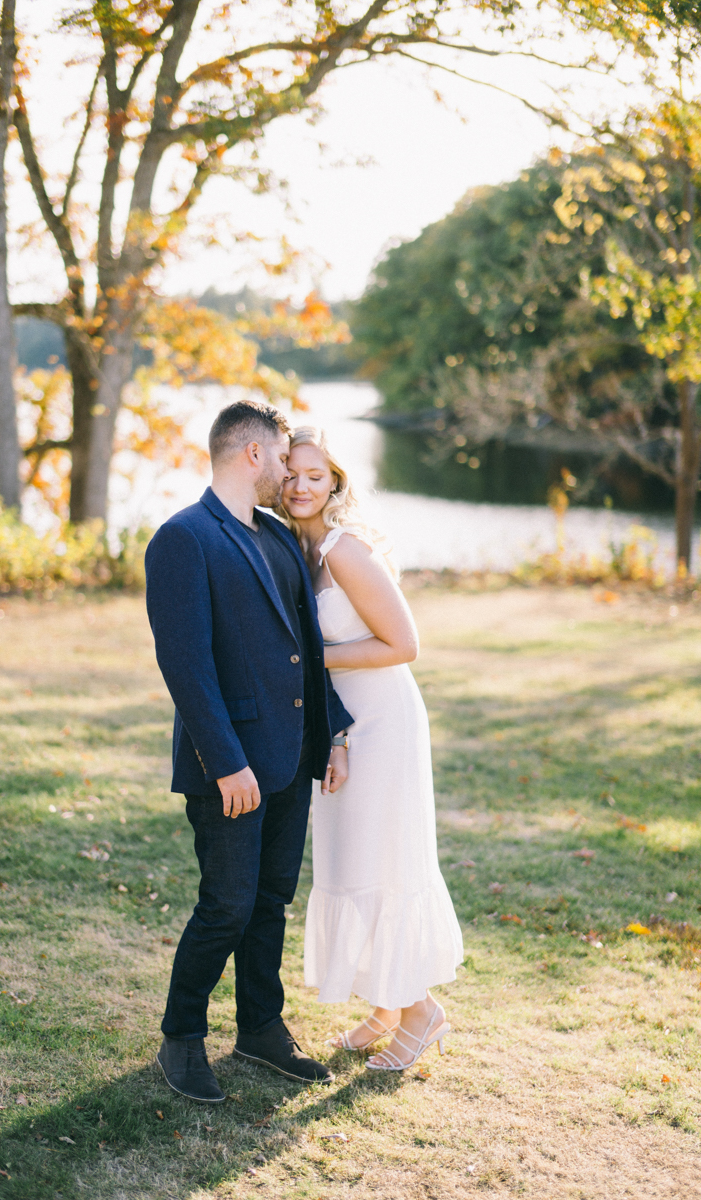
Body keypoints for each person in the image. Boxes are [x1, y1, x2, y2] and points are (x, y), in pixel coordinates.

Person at [144, 401, 354, 1104]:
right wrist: (225, 761)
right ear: (252, 455)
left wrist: (333, 735)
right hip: (228, 768)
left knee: (269, 903)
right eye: (281, 461)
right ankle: (181, 1036)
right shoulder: (183, 538)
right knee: (225, 907)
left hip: (291, 760)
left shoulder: (276, 537)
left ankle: (262, 1028)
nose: (290, 477)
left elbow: (307, 651)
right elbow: (186, 664)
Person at [278, 426, 464, 1072]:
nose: (301, 486)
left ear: (336, 483)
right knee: (349, 857)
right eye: (292, 474)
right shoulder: (296, 550)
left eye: (315, 475)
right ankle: (387, 1005)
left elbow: (404, 643)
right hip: (344, 720)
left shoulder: (345, 550)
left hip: (383, 720)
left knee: (380, 860)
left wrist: (307, 659)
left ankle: (421, 1012)